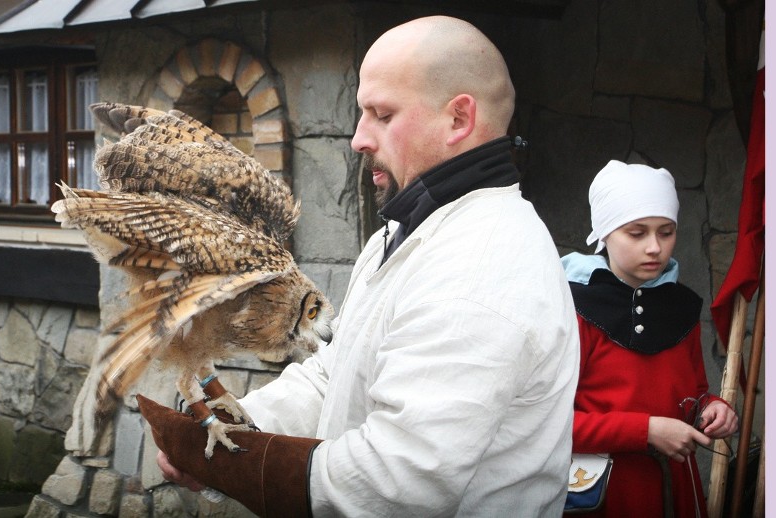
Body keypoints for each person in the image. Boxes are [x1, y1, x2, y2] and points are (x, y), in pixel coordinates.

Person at [147, 15, 580, 516]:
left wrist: (232, 467)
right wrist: (227, 429)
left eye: (382, 114)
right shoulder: (399, 236)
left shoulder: (479, 264)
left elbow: (401, 482)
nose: (358, 138)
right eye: (361, 114)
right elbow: (335, 376)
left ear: (459, 119)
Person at [561, 160, 739, 517]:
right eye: (637, 232)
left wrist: (713, 409)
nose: (655, 247)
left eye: (666, 231)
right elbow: (551, 423)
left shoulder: (682, 307)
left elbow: (692, 393)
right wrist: (645, 430)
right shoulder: (572, 307)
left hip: (676, 490)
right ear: (605, 232)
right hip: (603, 493)